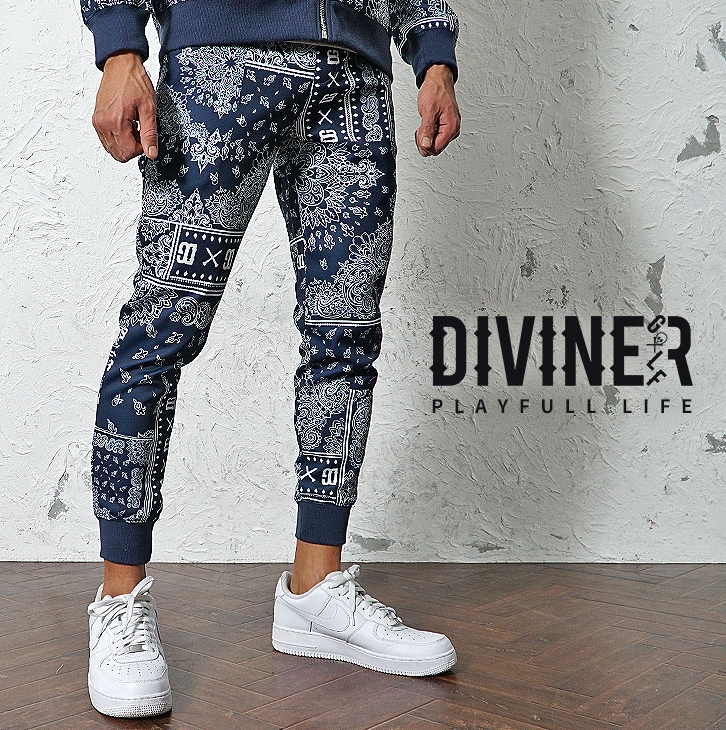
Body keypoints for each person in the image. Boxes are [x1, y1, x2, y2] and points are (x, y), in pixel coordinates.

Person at [80, 0, 462, 719]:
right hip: (220, 63)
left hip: (355, 77)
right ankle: (120, 601)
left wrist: (433, 52)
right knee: (159, 333)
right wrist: (119, 47)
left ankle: (316, 587)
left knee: (345, 340)